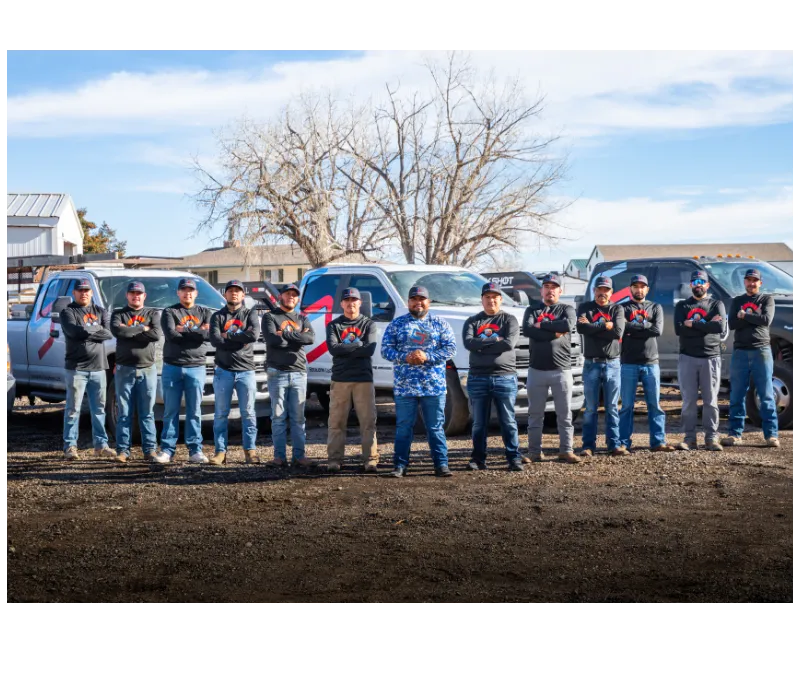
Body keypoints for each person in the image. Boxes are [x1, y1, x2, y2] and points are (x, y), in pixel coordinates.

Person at [381, 285, 457, 478]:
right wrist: (405, 357)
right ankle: (399, 466)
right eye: (414, 299)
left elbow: (450, 349)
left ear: (428, 302)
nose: (418, 303)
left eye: (422, 299)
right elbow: (385, 350)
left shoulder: (440, 323)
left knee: (435, 427)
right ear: (408, 303)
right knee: (404, 427)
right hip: (405, 386)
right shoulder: (397, 324)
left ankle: (441, 465)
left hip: (434, 386)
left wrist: (427, 356)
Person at [462, 282, 524, 471]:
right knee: (479, 423)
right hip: (478, 378)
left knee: (508, 421)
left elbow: (508, 344)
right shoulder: (472, 321)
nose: (491, 300)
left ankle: (514, 458)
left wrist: (482, 344)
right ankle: (478, 459)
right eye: (487, 297)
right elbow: (468, 343)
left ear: (500, 299)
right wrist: (493, 339)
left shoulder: (509, 320)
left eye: (494, 297)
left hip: (504, 377)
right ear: (482, 299)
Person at [110, 281, 170, 465]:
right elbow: (118, 332)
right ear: (127, 295)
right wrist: (142, 329)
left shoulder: (152, 313)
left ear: (144, 296)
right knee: (124, 412)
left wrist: (130, 330)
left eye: (139, 293)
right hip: (124, 369)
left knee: (147, 413)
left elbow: (155, 335)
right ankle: (122, 451)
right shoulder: (118, 314)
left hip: (147, 369)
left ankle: (150, 449)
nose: (135, 296)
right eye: (132, 293)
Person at [522, 273, 579, 463]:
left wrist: (542, 325)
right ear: (542, 290)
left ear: (560, 291)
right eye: (546, 287)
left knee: (564, 414)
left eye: (554, 287)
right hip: (536, 370)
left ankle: (566, 450)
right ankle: (534, 452)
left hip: (561, 370)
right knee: (535, 414)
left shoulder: (566, 309)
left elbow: (568, 324)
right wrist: (553, 333)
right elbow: (529, 330)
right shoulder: (532, 309)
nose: (550, 290)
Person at [261, 283, 317, 469]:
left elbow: (310, 339)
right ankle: (279, 457)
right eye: (288, 294)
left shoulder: (302, 317)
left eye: (294, 295)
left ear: (297, 299)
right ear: (281, 297)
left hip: (299, 372)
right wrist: (297, 335)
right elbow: (273, 340)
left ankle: (299, 456)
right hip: (277, 372)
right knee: (278, 417)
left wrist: (285, 333)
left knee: (298, 418)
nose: (291, 297)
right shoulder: (270, 317)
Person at [60, 278, 116, 460]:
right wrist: (95, 329)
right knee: (73, 409)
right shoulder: (67, 312)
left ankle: (101, 445)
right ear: (74, 293)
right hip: (76, 368)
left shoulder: (100, 311)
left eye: (87, 290)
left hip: (99, 367)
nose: (84, 293)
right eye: (80, 290)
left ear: (91, 293)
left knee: (99, 409)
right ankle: (70, 446)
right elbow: (74, 332)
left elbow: (108, 333)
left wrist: (87, 329)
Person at [325, 287, 380, 473]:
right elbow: (333, 349)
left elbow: (369, 350)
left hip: (363, 379)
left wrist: (345, 347)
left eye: (354, 300)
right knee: (336, 421)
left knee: (367, 421)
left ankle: (370, 459)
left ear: (360, 302)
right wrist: (358, 344)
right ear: (341, 304)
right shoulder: (334, 325)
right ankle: (334, 459)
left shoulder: (369, 324)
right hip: (340, 379)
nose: (350, 304)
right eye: (347, 301)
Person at [159, 277, 214, 463]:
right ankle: (167, 450)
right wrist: (197, 331)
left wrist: (185, 330)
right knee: (170, 410)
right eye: (184, 290)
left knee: (194, 411)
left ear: (196, 293)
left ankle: (195, 450)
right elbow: (172, 335)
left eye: (191, 290)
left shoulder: (205, 312)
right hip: (172, 366)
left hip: (196, 367)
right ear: (178, 292)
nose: (187, 293)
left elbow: (207, 335)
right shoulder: (170, 312)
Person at [722, 268, 779, 447]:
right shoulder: (737, 301)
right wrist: (753, 317)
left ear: (760, 283)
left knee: (766, 394)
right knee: (737, 395)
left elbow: (766, 320)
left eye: (755, 280)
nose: (751, 283)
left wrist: (745, 315)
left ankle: (771, 435)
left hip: (761, 351)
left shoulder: (767, 299)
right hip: (740, 352)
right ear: (744, 282)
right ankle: (735, 434)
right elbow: (732, 324)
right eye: (748, 280)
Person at [618, 274, 675, 453]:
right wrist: (645, 326)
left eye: (642, 286)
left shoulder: (655, 307)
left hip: (651, 362)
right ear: (630, 289)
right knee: (626, 406)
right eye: (635, 286)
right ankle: (623, 443)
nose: (639, 289)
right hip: (628, 363)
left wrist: (632, 327)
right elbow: (622, 328)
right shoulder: (622, 308)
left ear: (647, 289)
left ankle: (658, 441)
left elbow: (657, 330)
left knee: (655, 405)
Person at [209, 280, 261, 465]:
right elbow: (215, 340)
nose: (234, 294)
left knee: (248, 413)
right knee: (221, 413)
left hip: (246, 371)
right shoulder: (217, 317)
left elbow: (253, 335)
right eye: (230, 291)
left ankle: (250, 451)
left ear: (243, 294)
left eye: (238, 291)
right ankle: (220, 452)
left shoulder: (250, 314)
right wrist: (241, 338)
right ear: (225, 294)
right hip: (223, 370)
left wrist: (228, 335)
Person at [674, 270, 727, 451]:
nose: (698, 284)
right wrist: (706, 324)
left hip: (710, 357)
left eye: (701, 282)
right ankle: (689, 438)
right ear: (691, 285)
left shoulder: (716, 304)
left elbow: (719, 326)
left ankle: (711, 437)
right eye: (695, 281)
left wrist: (694, 324)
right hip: (687, 357)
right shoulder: (682, 306)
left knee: (710, 400)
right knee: (688, 401)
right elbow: (679, 329)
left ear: (707, 285)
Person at [576, 275, 626, 457]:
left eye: (606, 290)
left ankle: (614, 444)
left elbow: (617, 332)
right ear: (594, 291)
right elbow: (581, 329)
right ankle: (588, 446)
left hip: (612, 363)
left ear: (611, 292)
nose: (602, 293)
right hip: (591, 364)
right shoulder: (585, 307)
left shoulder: (617, 309)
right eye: (599, 290)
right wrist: (605, 326)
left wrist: (593, 327)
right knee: (590, 408)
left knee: (612, 406)